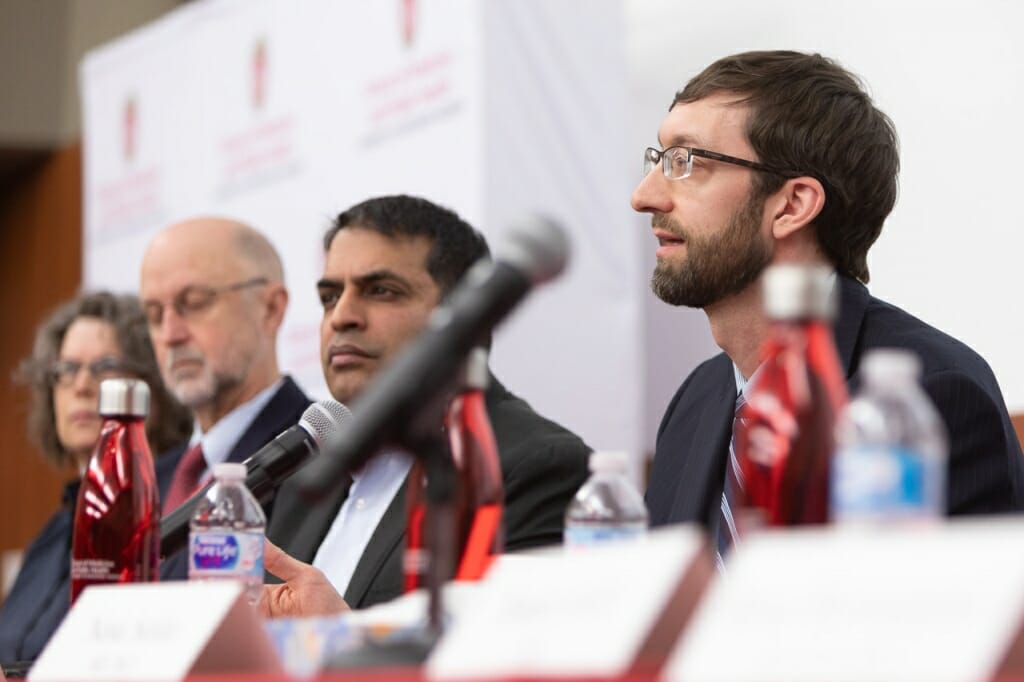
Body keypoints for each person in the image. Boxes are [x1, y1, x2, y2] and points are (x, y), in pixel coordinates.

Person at [634, 50, 1024, 533]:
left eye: (685, 162)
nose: (643, 196)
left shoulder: (928, 394)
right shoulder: (697, 399)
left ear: (792, 205)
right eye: (658, 159)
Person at [261, 195, 591, 616]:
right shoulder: (302, 478)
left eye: (381, 291)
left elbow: (513, 662)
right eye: (329, 297)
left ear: (465, 313)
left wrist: (341, 636)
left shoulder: (536, 466)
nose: (341, 316)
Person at [0, 292, 193, 664]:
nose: (83, 385)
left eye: (105, 367)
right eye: (66, 370)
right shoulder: (52, 532)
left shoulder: (176, 506)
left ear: (152, 385)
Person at [138, 217, 311, 579]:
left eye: (195, 303)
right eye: (154, 315)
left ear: (270, 308)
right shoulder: (150, 480)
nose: (170, 334)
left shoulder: (318, 461)